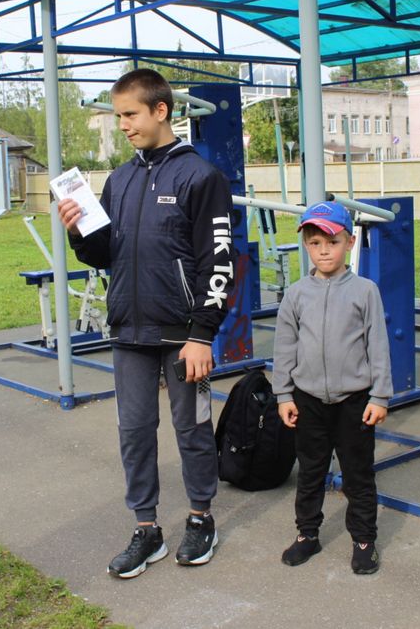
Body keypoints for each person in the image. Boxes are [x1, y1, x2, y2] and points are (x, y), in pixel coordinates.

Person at [57, 68, 234, 579]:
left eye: (131, 115)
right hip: (129, 331)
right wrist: (77, 232)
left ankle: (201, 518)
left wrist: (203, 334)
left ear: (161, 110)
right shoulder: (120, 178)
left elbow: (219, 262)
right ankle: (147, 528)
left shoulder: (201, 176)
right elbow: (103, 253)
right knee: (134, 432)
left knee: (192, 428)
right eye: (119, 117)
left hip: (183, 336)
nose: (125, 125)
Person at [271, 201, 392, 575]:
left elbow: (378, 344)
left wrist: (380, 395)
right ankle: (308, 534)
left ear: (349, 242)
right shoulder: (296, 294)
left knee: (358, 475)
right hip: (308, 401)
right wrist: (284, 394)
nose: (324, 250)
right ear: (307, 245)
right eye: (315, 242)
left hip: (354, 402)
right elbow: (284, 345)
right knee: (309, 472)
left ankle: (364, 539)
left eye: (332, 242)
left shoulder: (365, 290)